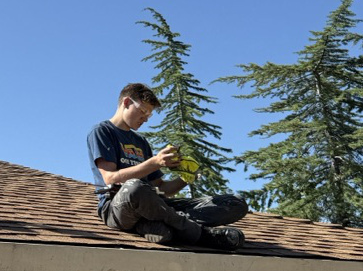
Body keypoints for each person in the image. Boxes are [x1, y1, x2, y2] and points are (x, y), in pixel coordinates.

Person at [87, 83, 248, 251]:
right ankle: (201, 234)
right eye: (143, 111)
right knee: (134, 188)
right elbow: (110, 177)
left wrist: (187, 177)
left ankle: (158, 227)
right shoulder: (102, 131)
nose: (146, 118)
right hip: (118, 207)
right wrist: (155, 162)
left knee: (235, 203)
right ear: (126, 102)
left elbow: (162, 189)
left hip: (156, 207)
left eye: (149, 114)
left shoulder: (141, 142)